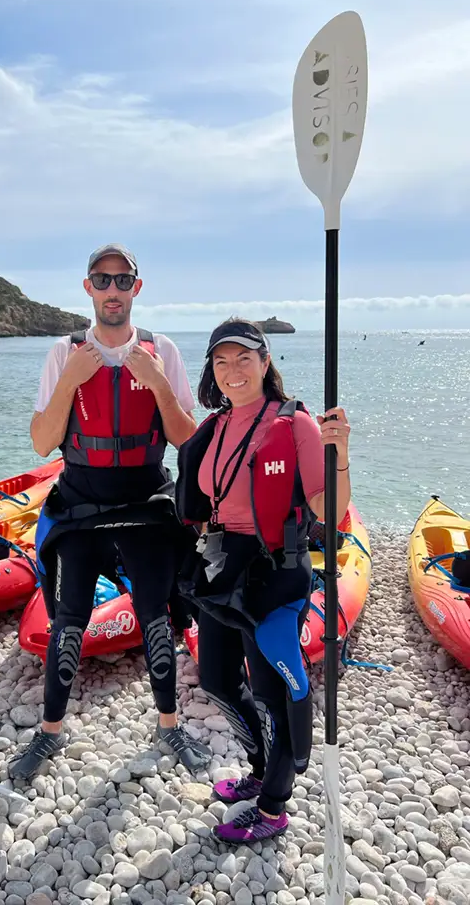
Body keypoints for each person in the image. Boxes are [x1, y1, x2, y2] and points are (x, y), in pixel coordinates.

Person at [8, 243, 212, 780]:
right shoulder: (64, 352)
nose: (113, 290)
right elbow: (40, 442)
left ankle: (169, 724)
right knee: (68, 622)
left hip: (145, 503)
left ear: (137, 288)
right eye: (103, 279)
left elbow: (186, 438)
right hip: (80, 505)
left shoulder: (161, 349)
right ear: (88, 287)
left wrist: (159, 379)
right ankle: (50, 733)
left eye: (124, 280)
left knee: (156, 617)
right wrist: (73, 378)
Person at [175, 318, 352, 844]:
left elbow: (331, 509)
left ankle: (275, 806)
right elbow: (205, 502)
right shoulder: (217, 424)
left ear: (265, 361)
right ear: (212, 368)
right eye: (221, 360)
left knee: (277, 691)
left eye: (244, 358)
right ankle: (259, 768)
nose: (233, 370)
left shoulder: (295, 423)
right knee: (217, 680)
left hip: (276, 571)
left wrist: (340, 457)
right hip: (224, 568)